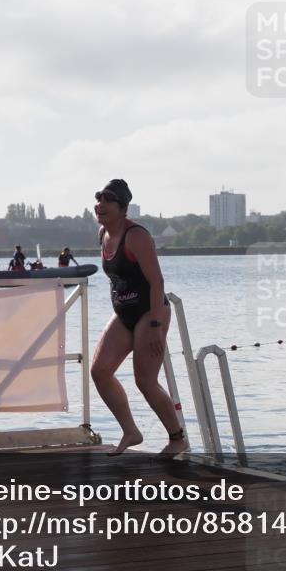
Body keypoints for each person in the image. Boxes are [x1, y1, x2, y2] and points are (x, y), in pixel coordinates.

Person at [91, 179, 187, 456]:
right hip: (124, 313)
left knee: (144, 381)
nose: (100, 204)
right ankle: (131, 431)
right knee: (99, 371)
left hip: (151, 311)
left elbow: (157, 281)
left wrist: (156, 326)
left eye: (108, 199)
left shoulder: (136, 236)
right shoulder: (103, 234)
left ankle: (177, 437)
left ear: (122, 207)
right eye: (98, 198)